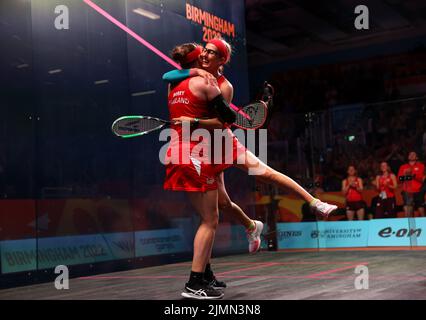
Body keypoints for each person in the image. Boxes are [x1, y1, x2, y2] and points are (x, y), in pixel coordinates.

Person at [397, 151, 425, 217]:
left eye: (413, 154)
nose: (411, 155)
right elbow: (399, 179)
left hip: (418, 191)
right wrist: (407, 174)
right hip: (407, 191)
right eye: (410, 154)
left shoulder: (421, 166)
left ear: (417, 157)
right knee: (408, 211)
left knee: (421, 210)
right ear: (408, 157)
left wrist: (411, 174)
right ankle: (410, 227)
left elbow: (421, 179)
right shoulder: (403, 167)